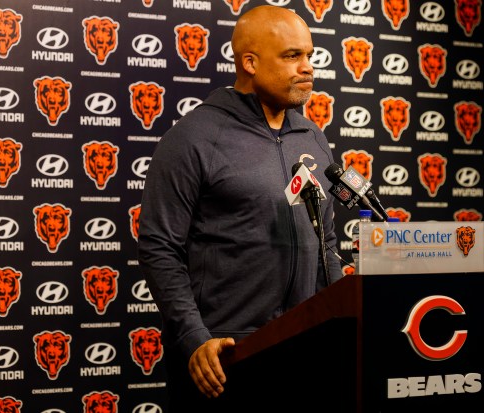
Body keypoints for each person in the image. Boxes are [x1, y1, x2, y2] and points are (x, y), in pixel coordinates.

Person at [137, 5, 343, 411]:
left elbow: (327, 240)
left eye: (309, 55)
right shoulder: (195, 137)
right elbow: (159, 247)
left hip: (303, 351)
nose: (307, 68)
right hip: (225, 357)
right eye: (291, 56)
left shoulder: (312, 136)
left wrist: (342, 310)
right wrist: (195, 338)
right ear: (249, 62)